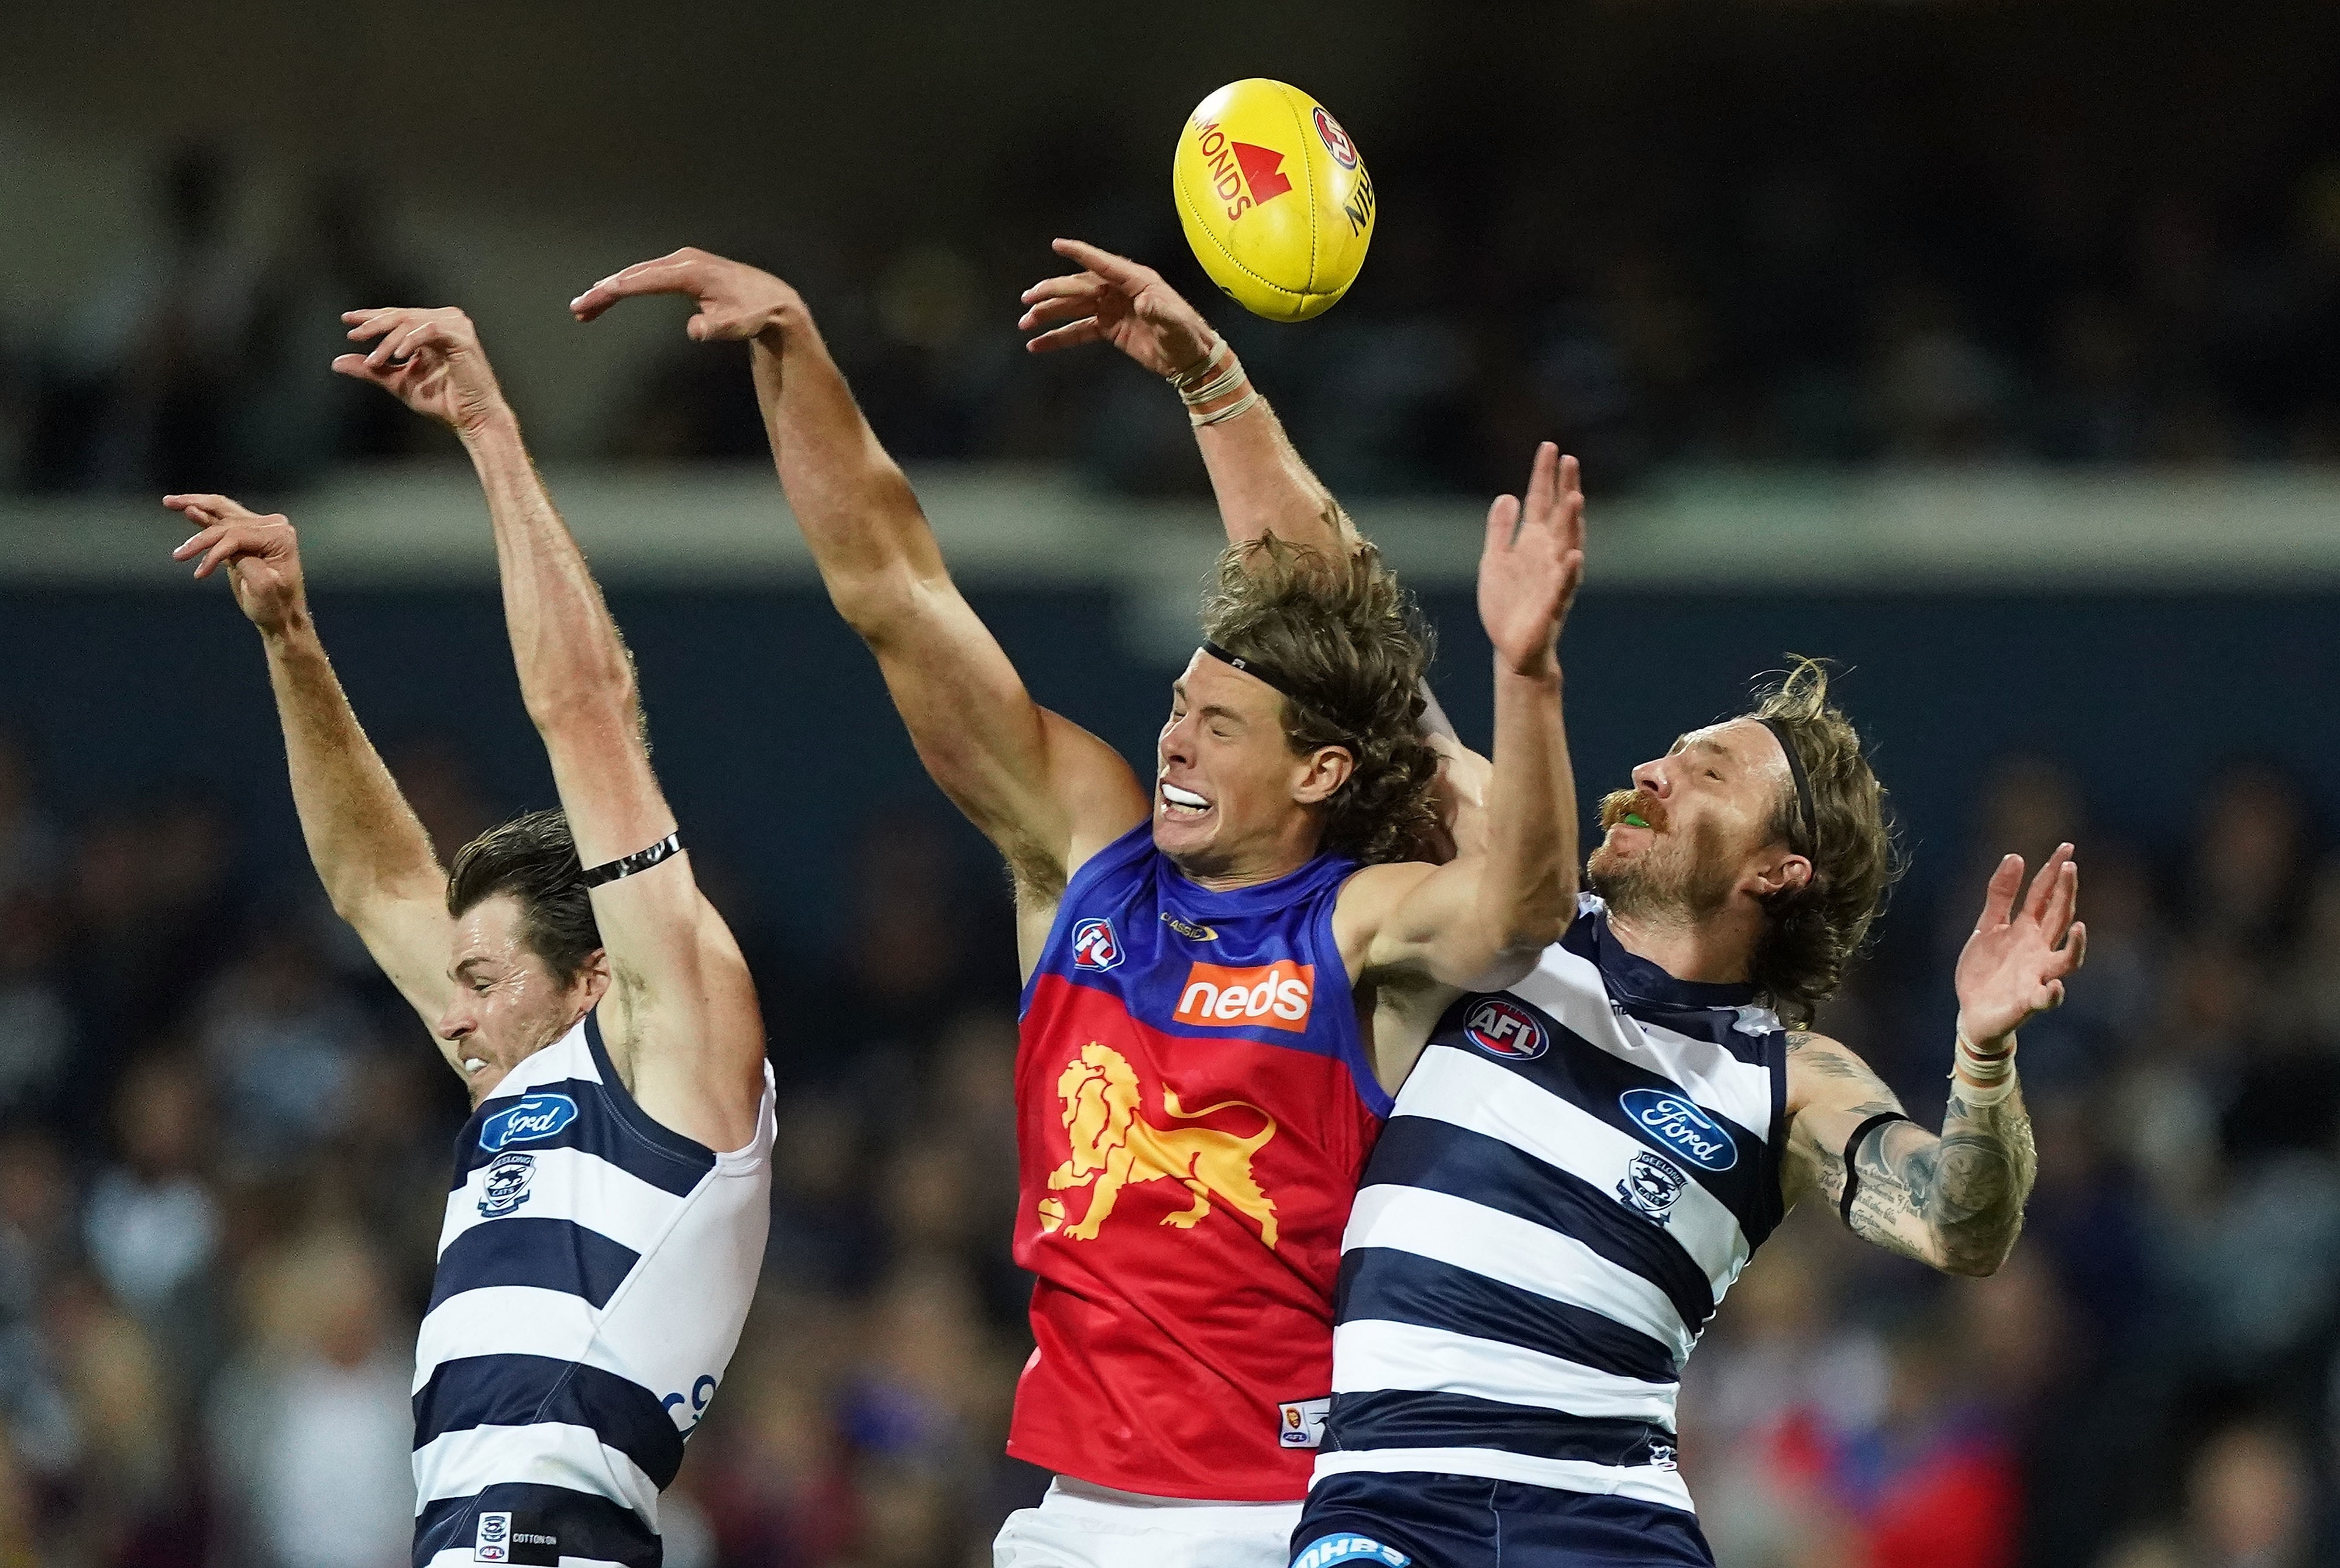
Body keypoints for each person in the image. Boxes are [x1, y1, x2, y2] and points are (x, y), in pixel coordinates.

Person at [1013, 243, 2084, 1568]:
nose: (1653, 772)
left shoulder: (1784, 1079)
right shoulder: (1502, 925)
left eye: (1705, 773)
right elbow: (1335, 609)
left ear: (1779, 870)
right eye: (1668, 751)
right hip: (1390, 1503)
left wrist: (1981, 1058)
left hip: (1606, 1515)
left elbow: (1958, 1223)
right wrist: (1211, 378)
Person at [569, 247, 1586, 1567]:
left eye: (1220, 726)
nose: (1175, 742)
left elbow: (1525, 903)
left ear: (1320, 772)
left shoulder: (1361, 923)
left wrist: (1527, 674)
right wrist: (794, 354)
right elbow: (897, 595)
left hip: (1289, 1515)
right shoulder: (1086, 860)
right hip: (1070, 1516)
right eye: (1177, 707)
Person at [164, 303, 774, 1568]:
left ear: (592, 976)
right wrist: (290, 639)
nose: (450, 1014)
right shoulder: (531, 1075)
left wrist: (488, 429)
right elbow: (371, 879)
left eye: (485, 980)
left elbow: (585, 709)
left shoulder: (671, 1047)